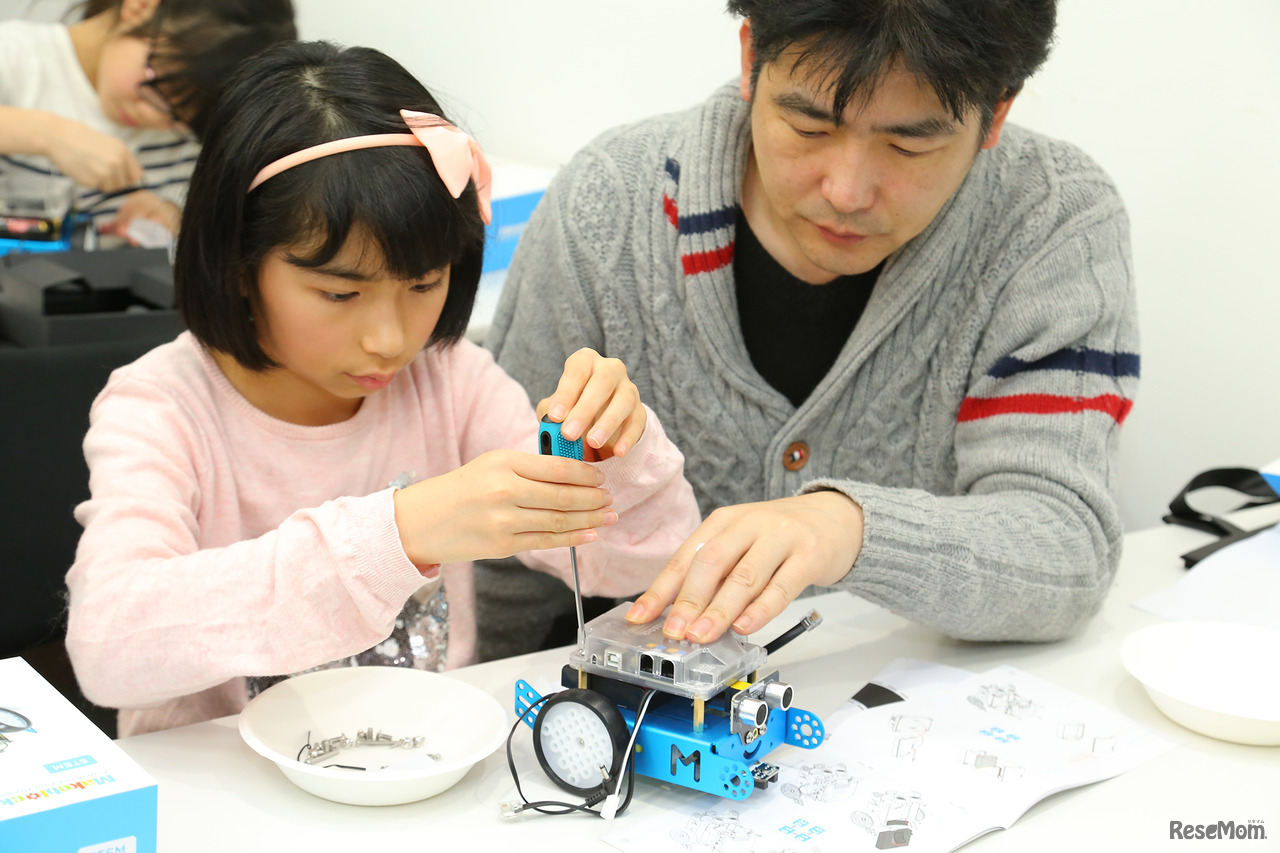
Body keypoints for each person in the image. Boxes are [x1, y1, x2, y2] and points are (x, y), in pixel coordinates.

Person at [64, 40, 700, 738]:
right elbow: (106, 645)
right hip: (214, 788)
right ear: (239, 265)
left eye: (424, 283)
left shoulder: (450, 379)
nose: (390, 339)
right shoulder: (160, 406)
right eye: (341, 293)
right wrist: (402, 531)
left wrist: (620, 458)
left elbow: (638, 563)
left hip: (419, 771)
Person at [485, 0, 1139, 649]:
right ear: (751, 60)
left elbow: (1066, 546)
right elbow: (500, 558)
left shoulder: (1051, 220)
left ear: (996, 112)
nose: (847, 191)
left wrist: (846, 528)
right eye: (809, 127)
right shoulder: (609, 204)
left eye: (909, 143)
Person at [0, 0, 295, 240]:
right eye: (158, 88)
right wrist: (48, 134)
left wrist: (168, 217)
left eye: (178, 117)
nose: (155, 118)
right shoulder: (15, 57)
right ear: (140, 7)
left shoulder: (185, 135)